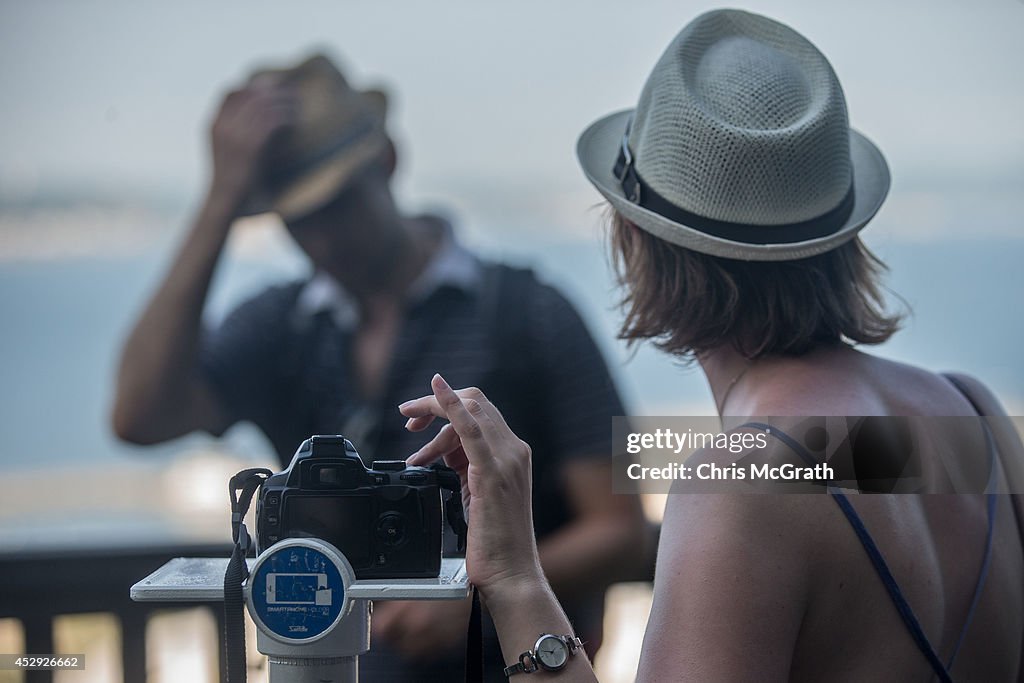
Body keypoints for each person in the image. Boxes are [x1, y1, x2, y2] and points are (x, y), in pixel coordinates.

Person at [398, 10, 1024, 681]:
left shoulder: (740, 485)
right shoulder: (975, 415)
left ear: (639, 242)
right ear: (838, 232)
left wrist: (518, 576)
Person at [110, 54, 647, 680]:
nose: (323, 239)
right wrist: (220, 198)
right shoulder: (278, 328)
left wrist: (470, 593)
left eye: (338, 203)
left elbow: (620, 530)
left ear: (387, 160)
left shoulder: (530, 313)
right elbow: (138, 416)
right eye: (297, 218)